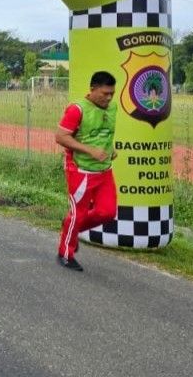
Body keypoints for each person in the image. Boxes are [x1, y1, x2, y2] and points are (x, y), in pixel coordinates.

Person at [54, 71, 118, 272]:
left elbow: (103, 133)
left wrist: (109, 150)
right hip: (81, 170)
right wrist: (91, 151)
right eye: (105, 93)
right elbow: (61, 137)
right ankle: (65, 253)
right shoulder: (77, 109)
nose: (108, 98)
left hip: (104, 170)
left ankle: (70, 230)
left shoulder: (112, 107)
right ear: (92, 89)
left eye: (112, 94)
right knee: (78, 213)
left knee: (107, 211)